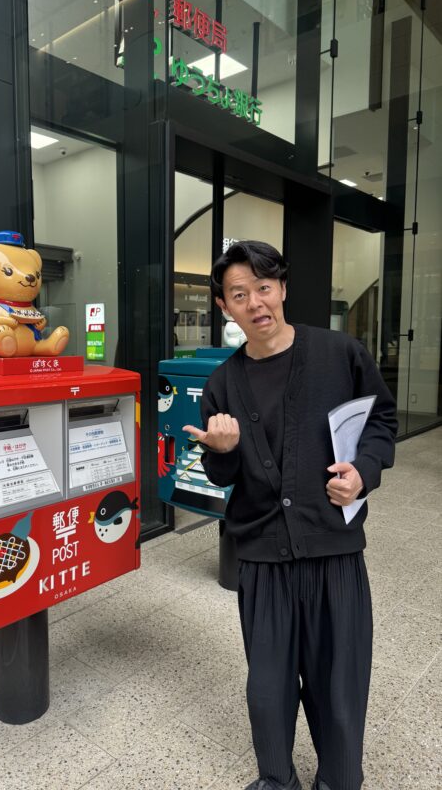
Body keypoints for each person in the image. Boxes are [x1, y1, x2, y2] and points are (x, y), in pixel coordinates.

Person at [183, 241, 397, 790]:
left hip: (333, 549)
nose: (255, 302)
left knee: (339, 685)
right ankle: (277, 780)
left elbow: (381, 421)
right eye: (239, 294)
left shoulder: (340, 353)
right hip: (261, 556)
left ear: (281, 288)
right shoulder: (222, 383)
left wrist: (363, 472)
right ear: (223, 306)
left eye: (263, 287)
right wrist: (222, 451)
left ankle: (340, 780)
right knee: (268, 688)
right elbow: (220, 477)